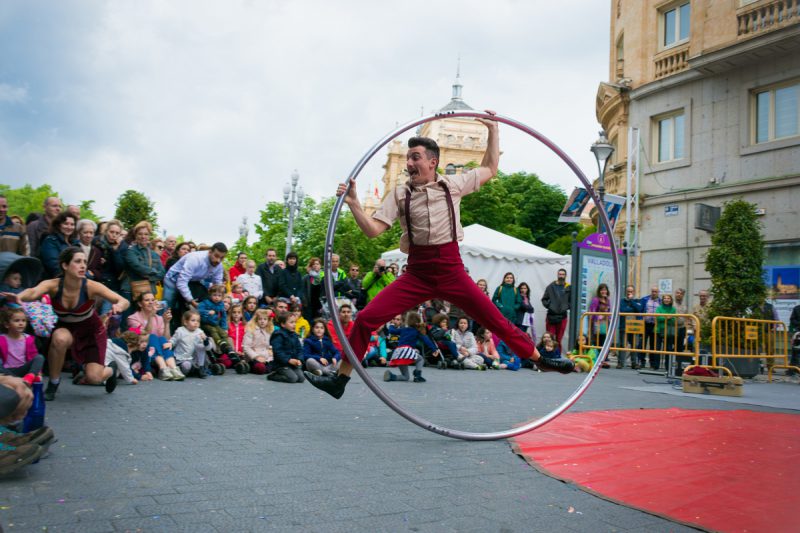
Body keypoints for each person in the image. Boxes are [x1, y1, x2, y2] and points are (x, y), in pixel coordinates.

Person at [306, 117, 573, 399]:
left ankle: (539, 359)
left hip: (451, 271)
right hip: (417, 274)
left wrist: (492, 130)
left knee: (496, 320)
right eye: (408, 157)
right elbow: (373, 230)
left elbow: (490, 168)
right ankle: (340, 380)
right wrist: (354, 204)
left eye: (416, 157)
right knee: (366, 318)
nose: (409, 163)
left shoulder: (453, 185)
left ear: (432, 162)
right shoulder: (399, 194)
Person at [1, 247, 128, 400]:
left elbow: (123, 300)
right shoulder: (53, 285)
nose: (83, 266)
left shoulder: (92, 286)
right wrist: (19, 296)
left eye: (85, 262)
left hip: (91, 332)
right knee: (60, 337)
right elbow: (33, 292)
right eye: (78, 261)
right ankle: (53, 384)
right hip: (66, 328)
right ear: (65, 265)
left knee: (94, 378)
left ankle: (110, 371)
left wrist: (119, 305)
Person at [127, 292, 183, 381]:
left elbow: (166, 339)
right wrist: (150, 316)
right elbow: (144, 335)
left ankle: (173, 368)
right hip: (141, 350)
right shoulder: (132, 318)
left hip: (156, 351)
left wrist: (166, 322)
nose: (151, 303)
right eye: (147, 300)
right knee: (152, 336)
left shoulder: (159, 318)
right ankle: (163, 368)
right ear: (140, 304)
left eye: (153, 300)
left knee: (161, 339)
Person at [162, 242, 227, 311]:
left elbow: (218, 285)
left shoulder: (219, 265)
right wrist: (192, 302)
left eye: (221, 258)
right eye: (216, 256)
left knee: (182, 306)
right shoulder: (195, 259)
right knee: (168, 305)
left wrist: (221, 300)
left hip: (191, 281)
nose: (218, 260)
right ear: (210, 252)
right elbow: (182, 282)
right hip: (172, 280)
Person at [383, 310, 437, 383]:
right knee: (420, 359)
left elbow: (392, 331)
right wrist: (434, 349)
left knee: (406, 377)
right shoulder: (417, 331)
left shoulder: (403, 329)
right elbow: (426, 340)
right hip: (407, 351)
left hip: (398, 353)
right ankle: (417, 375)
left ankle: (391, 376)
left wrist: (392, 325)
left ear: (407, 321)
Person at [122, 221, 165, 302]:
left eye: (146, 234)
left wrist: (149, 276)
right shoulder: (131, 251)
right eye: (140, 234)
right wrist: (154, 272)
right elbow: (138, 267)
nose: (143, 236)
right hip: (131, 291)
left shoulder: (154, 254)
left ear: (149, 236)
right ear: (136, 235)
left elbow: (162, 273)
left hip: (150, 292)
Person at [0, 308, 46, 377]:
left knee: (40, 357)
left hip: (23, 369)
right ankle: (16, 379)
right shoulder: (1, 339)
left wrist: (38, 372)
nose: (21, 323)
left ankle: (30, 376)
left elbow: (33, 356)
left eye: (24, 321)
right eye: (17, 320)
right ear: (7, 325)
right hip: (6, 370)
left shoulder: (28, 339)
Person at [170, 309, 212, 378]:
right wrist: (170, 343)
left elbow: (207, 348)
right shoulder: (180, 330)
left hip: (194, 359)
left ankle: (200, 368)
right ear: (186, 322)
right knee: (186, 366)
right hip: (182, 358)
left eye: (198, 321)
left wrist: (205, 340)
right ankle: (185, 370)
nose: (196, 323)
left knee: (201, 346)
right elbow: (174, 340)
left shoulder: (199, 332)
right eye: (193, 320)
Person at [268, 311, 305, 384]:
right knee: (293, 378)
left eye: (295, 322)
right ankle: (274, 375)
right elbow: (277, 351)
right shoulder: (278, 335)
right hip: (281, 364)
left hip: (293, 364)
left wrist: (299, 359)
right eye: (291, 322)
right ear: (283, 324)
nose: (294, 324)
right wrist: (288, 360)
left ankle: (290, 371)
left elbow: (299, 349)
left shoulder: (294, 335)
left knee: (301, 378)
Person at [39, 212, 77, 279]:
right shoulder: (50, 241)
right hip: (55, 281)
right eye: (66, 224)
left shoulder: (75, 243)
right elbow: (54, 266)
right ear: (58, 225)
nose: (69, 227)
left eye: (72, 224)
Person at [541, 268, 571, 354]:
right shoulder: (551, 286)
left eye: (563, 274)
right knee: (549, 338)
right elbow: (544, 299)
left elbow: (572, 300)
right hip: (551, 316)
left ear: (565, 276)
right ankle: (547, 356)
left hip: (562, 317)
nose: (561, 276)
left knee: (558, 339)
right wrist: (550, 306)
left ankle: (557, 357)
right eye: (560, 274)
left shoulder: (568, 287)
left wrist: (566, 306)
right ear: (557, 275)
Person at [619, 285, 644, 369]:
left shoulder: (637, 300)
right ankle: (620, 363)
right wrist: (632, 308)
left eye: (631, 291)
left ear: (634, 292)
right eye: (628, 291)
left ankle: (634, 363)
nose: (629, 293)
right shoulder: (622, 301)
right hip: (624, 326)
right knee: (622, 345)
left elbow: (639, 309)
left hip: (634, 326)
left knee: (634, 345)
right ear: (626, 292)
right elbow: (622, 310)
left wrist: (632, 301)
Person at [242, 308, 274, 375]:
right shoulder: (251, 330)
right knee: (260, 368)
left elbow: (270, 344)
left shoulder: (268, 330)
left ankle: (262, 367)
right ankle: (247, 365)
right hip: (253, 356)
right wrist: (256, 357)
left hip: (266, 356)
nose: (262, 321)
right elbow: (246, 347)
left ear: (268, 321)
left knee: (275, 366)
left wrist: (270, 350)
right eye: (260, 319)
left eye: (265, 319)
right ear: (256, 320)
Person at [654, 293, 677, 371]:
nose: (666, 300)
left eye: (668, 298)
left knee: (668, 349)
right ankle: (656, 366)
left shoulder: (673, 309)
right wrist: (667, 317)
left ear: (671, 300)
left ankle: (668, 366)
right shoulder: (659, 308)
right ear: (662, 300)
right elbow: (658, 318)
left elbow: (673, 320)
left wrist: (663, 317)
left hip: (668, 331)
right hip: (658, 330)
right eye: (665, 298)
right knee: (657, 348)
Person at [640, 285, 660, 368]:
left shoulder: (660, 301)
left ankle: (652, 362)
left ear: (658, 292)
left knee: (653, 344)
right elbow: (640, 310)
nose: (654, 293)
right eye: (652, 291)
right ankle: (642, 362)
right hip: (646, 324)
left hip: (655, 325)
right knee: (643, 344)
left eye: (655, 291)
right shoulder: (645, 299)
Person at [588, 283, 611, 348]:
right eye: (602, 290)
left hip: (606, 323)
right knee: (598, 341)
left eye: (605, 290)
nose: (603, 292)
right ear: (599, 291)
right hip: (597, 323)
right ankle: (598, 356)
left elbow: (609, 311)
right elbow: (592, 311)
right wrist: (598, 317)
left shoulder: (608, 300)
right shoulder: (595, 300)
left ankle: (605, 357)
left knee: (605, 341)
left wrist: (609, 319)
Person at [301, 257, 323, 322]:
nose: (316, 265)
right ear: (311, 266)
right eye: (314, 264)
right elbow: (302, 290)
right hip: (309, 305)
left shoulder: (323, 276)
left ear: (320, 266)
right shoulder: (306, 277)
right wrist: (304, 302)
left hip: (320, 305)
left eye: (317, 264)